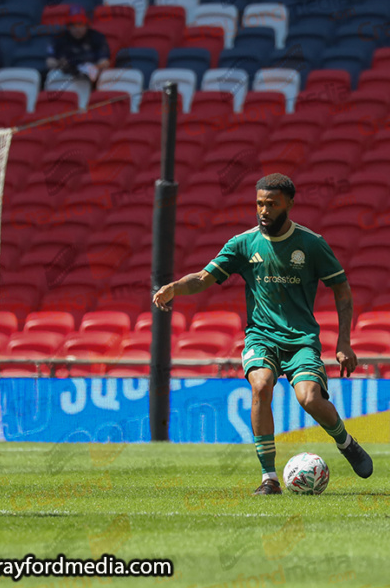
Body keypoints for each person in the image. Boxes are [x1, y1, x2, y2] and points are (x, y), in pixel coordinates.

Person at [151, 174, 372, 495]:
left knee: (309, 398)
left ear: (289, 204)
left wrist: (344, 342)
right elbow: (202, 278)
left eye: (272, 204)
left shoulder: (311, 244)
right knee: (261, 385)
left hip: (300, 340)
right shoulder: (243, 244)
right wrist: (174, 288)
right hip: (261, 337)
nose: (264, 210)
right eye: (259, 204)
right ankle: (269, 478)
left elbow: (342, 289)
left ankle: (346, 442)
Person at [46, 5, 110, 84]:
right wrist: (60, 64)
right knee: (52, 75)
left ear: (86, 25)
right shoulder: (59, 38)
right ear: (68, 26)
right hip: (65, 75)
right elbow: (50, 61)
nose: (77, 29)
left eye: (80, 24)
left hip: (90, 76)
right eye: (73, 25)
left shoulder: (96, 37)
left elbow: (104, 61)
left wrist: (95, 67)